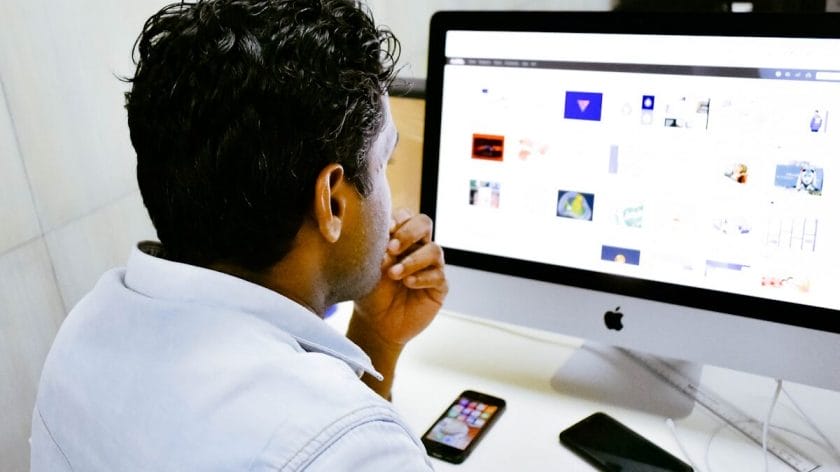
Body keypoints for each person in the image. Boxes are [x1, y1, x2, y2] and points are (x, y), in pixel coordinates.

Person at [29, 1, 447, 470]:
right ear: (330, 201)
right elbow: (331, 444)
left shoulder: (83, 332)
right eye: (384, 161)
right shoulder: (356, 449)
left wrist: (377, 337)